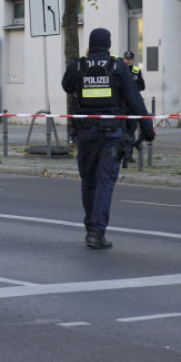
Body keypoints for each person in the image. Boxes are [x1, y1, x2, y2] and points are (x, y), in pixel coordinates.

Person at [62, 28, 155, 249]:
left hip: (85, 134)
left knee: (89, 181)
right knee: (105, 182)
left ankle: (90, 228)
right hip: (111, 135)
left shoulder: (78, 66)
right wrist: (148, 129)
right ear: (108, 45)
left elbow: (66, 86)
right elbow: (135, 101)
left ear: (91, 43)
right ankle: (96, 232)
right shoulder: (117, 67)